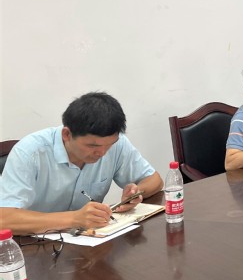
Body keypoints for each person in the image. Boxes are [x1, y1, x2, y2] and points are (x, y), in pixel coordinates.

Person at [0, 93, 163, 235]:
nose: (102, 153)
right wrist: (74, 219)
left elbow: (155, 180)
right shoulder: (29, 153)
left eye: (109, 145)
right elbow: (4, 219)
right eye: (93, 146)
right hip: (35, 246)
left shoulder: (117, 144)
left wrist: (136, 193)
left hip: (88, 243)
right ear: (67, 134)